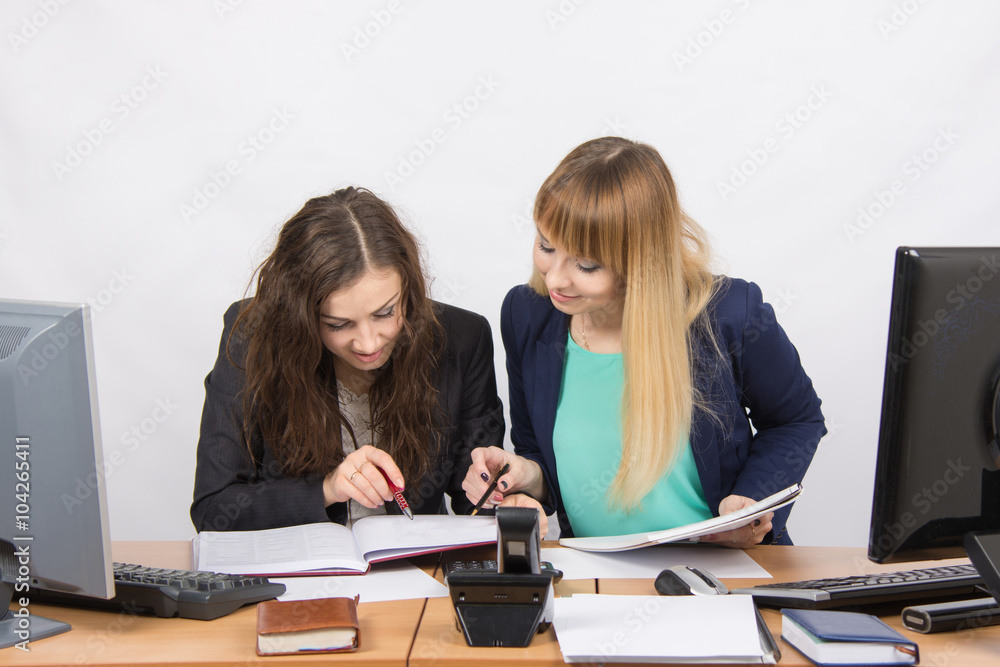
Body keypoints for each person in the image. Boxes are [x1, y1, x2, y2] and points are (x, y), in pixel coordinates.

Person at [462, 137, 826, 546]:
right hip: (598, 575)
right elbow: (539, 451)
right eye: (546, 246)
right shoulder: (527, 314)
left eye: (585, 264)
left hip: (722, 573)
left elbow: (796, 420)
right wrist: (523, 476)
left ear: (641, 259)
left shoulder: (730, 314)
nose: (555, 278)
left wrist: (751, 502)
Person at [191, 186, 504, 532]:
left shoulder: (461, 338)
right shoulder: (253, 336)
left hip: (415, 576)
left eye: (385, 313)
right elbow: (213, 510)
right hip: (298, 576)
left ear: (409, 290)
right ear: (302, 317)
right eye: (338, 325)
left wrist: (501, 496)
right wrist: (327, 490)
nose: (369, 343)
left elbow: (474, 502)